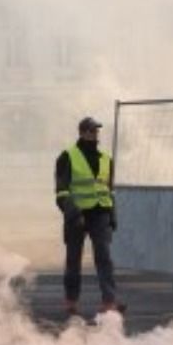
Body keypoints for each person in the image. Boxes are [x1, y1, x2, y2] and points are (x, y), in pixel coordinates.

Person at [54, 116, 122, 322]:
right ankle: (71, 301)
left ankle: (109, 302)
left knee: (104, 257)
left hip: (100, 213)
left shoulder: (106, 159)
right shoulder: (67, 156)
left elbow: (109, 190)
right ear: (82, 132)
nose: (95, 134)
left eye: (97, 131)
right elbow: (62, 191)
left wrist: (112, 215)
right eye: (91, 131)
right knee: (73, 259)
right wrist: (73, 214)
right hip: (77, 215)